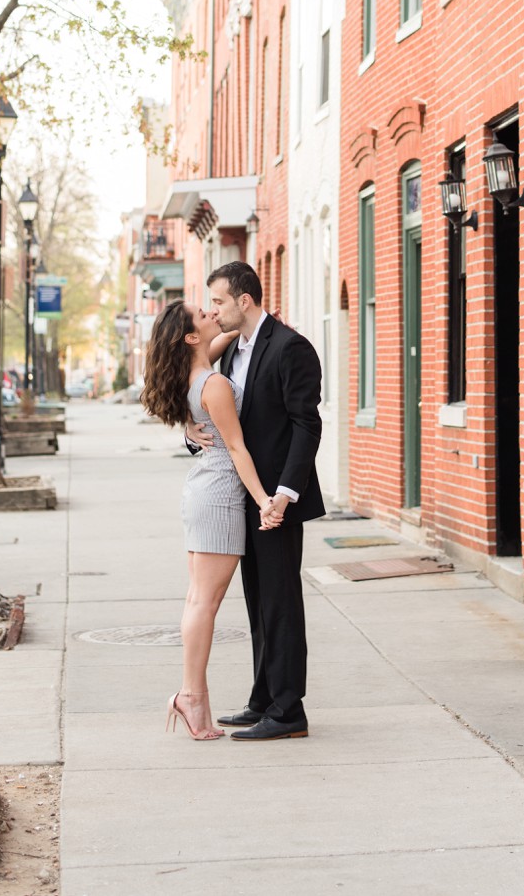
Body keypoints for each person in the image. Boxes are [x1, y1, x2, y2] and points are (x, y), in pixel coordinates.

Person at [189, 260, 323, 741]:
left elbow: (307, 426)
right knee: (259, 602)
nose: (214, 310)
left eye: (220, 301)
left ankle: (289, 712)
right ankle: (264, 698)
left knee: (282, 603)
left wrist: (284, 495)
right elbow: (225, 422)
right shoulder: (233, 352)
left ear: (244, 300)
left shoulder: (291, 347)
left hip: (278, 502)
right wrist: (193, 433)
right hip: (246, 498)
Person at [141, 299, 275, 742]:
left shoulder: (193, 372)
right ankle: (191, 696)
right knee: (205, 603)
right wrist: (264, 501)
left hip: (201, 490)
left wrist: (244, 322)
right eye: (202, 314)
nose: (210, 311)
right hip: (218, 495)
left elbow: (219, 341)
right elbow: (236, 448)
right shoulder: (213, 383)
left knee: (198, 600)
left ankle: (192, 696)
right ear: (191, 337)